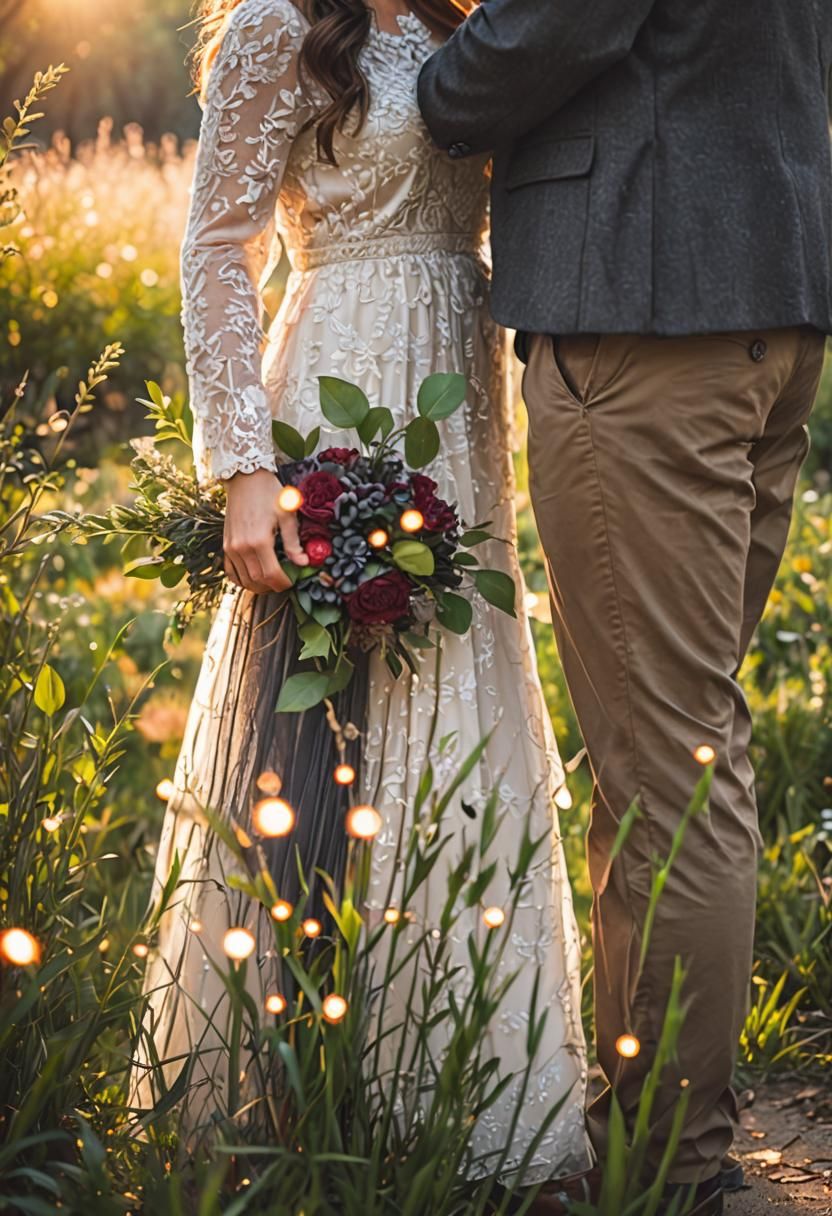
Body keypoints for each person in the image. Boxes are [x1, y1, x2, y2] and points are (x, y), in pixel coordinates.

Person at [131, 0, 589, 1191]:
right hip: (335, 374)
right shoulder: (278, 24)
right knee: (320, 723)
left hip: (460, 393)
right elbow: (217, 246)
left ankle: (461, 1089)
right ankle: (292, 1092)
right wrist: (243, 468)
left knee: (454, 686)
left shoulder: (462, 26)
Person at [418, 3, 832, 1214]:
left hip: (644, 312)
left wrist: (438, 67)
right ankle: (664, 1139)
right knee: (681, 744)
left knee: (669, 767)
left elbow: (525, 46)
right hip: (764, 298)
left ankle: (659, 1172)